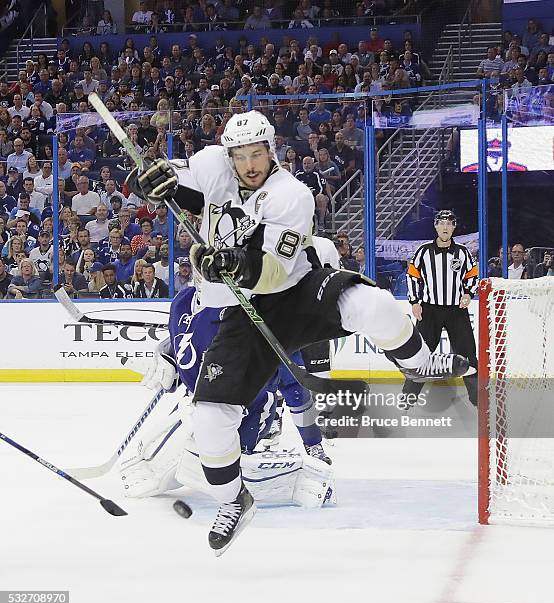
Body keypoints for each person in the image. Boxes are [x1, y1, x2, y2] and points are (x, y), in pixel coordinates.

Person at [126, 110, 470, 554]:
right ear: (229, 154)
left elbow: (272, 271)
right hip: (243, 311)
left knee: (373, 303)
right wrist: (151, 183)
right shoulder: (214, 164)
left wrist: (233, 263)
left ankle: (418, 362)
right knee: (211, 419)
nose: (250, 164)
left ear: (271, 151)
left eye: (257, 154)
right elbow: (180, 185)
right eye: (241, 156)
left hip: (295, 291)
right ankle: (234, 501)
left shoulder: (292, 195)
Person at [404, 210, 478, 407]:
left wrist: (468, 293)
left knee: (468, 354)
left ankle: (479, 400)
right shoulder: (423, 251)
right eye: (442, 223)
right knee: (419, 357)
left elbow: (472, 274)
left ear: (454, 227)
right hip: (429, 312)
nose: (445, 227)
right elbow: (412, 275)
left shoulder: (462, 251)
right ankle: (407, 399)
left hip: (456, 311)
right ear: (436, 226)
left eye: (449, 223)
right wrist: (415, 301)